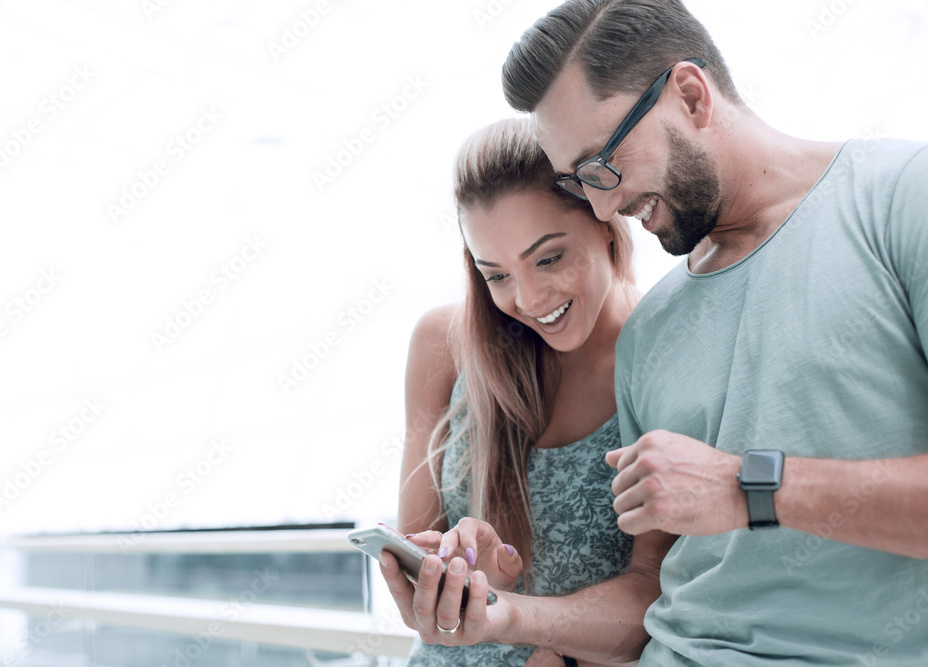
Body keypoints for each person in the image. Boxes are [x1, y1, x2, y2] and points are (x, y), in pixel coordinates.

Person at [497, 0, 928, 664]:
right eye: (579, 184)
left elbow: (732, 489)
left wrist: (748, 486)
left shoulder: (900, 199)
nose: (605, 206)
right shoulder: (648, 335)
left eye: (602, 166)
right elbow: (650, 587)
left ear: (691, 96)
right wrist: (505, 618)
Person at [380, 117, 673, 665]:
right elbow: (419, 583)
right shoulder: (441, 345)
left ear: (606, 222)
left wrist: (539, 635)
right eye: (497, 275)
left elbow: (655, 597)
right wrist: (456, 577)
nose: (530, 298)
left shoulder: (666, 358)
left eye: (549, 257)